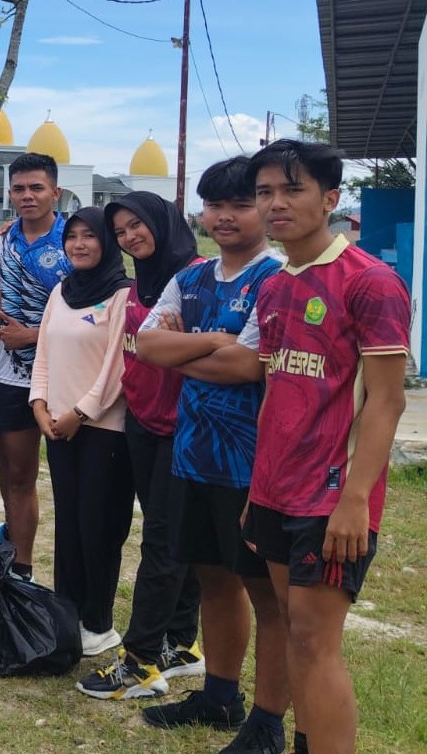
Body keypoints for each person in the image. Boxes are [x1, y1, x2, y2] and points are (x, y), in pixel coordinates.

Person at [245, 139, 410, 754]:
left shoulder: (371, 282)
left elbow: (386, 402)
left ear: (331, 198)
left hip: (333, 497)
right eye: (266, 192)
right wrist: (256, 487)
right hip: (274, 490)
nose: (276, 203)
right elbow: (275, 392)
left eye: (293, 190)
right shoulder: (274, 286)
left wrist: (356, 501)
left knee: (317, 642)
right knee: (294, 630)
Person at [137, 157, 290, 754]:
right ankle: (220, 695)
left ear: (262, 208)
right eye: (213, 205)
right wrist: (210, 343)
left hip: (253, 464)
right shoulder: (193, 276)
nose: (224, 216)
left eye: (240, 203)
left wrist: (180, 351)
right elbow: (146, 345)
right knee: (213, 578)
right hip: (192, 452)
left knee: (265, 594)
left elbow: (248, 364)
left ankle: (268, 720)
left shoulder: (274, 280)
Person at [80, 192, 205, 700]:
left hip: (185, 429)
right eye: (122, 230)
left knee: (163, 541)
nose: (131, 237)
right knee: (176, 540)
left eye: (138, 225)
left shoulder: (198, 278)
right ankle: (181, 644)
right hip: (143, 423)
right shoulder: (139, 286)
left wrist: (188, 343)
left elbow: (221, 348)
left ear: (163, 222)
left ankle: (141, 661)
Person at [29, 207, 134, 657]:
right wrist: (39, 404)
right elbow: (44, 352)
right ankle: (66, 611)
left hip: (103, 430)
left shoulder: (123, 294)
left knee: (99, 524)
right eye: (71, 236)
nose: (79, 244)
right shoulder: (61, 290)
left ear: (107, 242)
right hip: (56, 426)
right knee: (68, 521)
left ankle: (99, 621)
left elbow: (118, 367)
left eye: (90, 236)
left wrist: (80, 412)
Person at [0, 151, 71, 581]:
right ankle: (21, 568)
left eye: (37, 187)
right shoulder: (3, 241)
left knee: (74, 483)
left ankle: (77, 580)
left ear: (56, 191)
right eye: (19, 188)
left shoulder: (79, 239)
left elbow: (96, 314)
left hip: (69, 374)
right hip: (11, 373)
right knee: (16, 474)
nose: (27, 195)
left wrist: (33, 336)